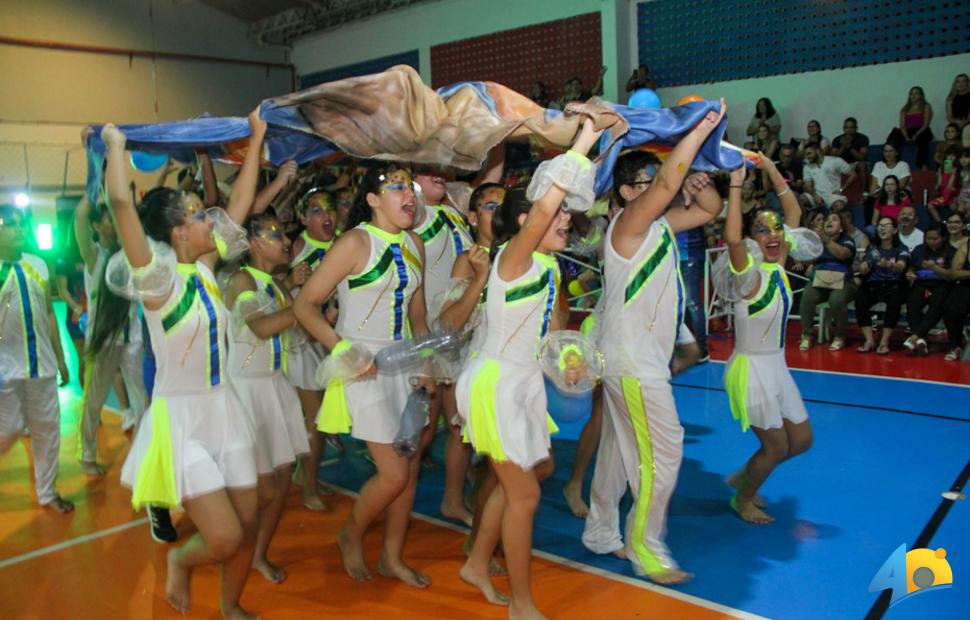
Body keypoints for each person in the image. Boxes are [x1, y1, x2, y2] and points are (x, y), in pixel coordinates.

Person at [104, 111, 264, 618]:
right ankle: (180, 560)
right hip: (182, 423)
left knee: (250, 523)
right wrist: (115, 143)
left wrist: (257, 137)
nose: (208, 220)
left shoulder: (209, 270)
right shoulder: (157, 284)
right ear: (176, 232)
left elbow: (238, 207)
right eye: (197, 216)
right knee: (223, 536)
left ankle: (230, 605)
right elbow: (120, 201)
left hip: (224, 410)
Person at [456, 119, 602, 617]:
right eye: (557, 214)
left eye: (566, 214)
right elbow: (545, 204)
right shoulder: (512, 259)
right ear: (526, 224)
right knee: (524, 496)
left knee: (535, 471)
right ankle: (521, 603)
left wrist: (570, 360)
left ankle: (477, 562)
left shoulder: (550, 268)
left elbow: (553, 334)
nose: (565, 220)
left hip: (523, 383)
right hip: (494, 382)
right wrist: (583, 140)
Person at [582, 101, 726, 585]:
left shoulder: (657, 225)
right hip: (635, 361)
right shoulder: (627, 224)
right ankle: (646, 543)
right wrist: (700, 129)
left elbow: (710, 209)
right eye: (645, 180)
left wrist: (699, 185)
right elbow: (667, 183)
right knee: (663, 453)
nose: (656, 185)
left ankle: (601, 532)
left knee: (619, 452)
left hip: (631, 358)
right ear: (626, 192)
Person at [295, 163, 436, 589]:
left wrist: (427, 362)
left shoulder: (415, 243)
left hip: (405, 365)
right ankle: (350, 533)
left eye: (409, 186)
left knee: (408, 471)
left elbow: (419, 314)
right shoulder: (354, 242)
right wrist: (345, 351)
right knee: (392, 473)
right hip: (363, 368)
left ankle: (392, 556)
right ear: (373, 200)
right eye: (396, 187)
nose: (408, 194)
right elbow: (305, 305)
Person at [718, 156, 819, 524]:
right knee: (775, 446)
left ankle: (745, 476)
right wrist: (736, 182)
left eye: (776, 229)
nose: (774, 235)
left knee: (801, 440)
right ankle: (742, 498)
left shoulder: (779, 266)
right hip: (750, 369)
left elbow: (793, 209)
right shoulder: (749, 275)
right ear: (751, 240)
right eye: (762, 230)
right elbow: (731, 238)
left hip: (777, 365)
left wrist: (770, 168)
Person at [226, 212, 311, 584]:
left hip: (276, 385)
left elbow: (295, 336)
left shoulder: (276, 286)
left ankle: (257, 554)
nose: (286, 241)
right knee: (262, 488)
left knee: (280, 481)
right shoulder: (242, 279)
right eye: (275, 235)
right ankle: (231, 547)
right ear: (254, 244)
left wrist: (297, 295)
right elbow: (261, 327)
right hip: (248, 389)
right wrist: (304, 303)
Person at [0, 203, 73, 514]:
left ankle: (47, 492)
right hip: (6, 370)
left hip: (42, 366)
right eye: (10, 224)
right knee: (9, 429)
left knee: (47, 430)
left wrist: (61, 357)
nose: (18, 229)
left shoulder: (38, 265)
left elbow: (47, 315)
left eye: (20, 224)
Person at [73, 183, 149, 477]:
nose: (114, 224)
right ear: (97, 225)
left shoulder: (131, 253)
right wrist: (94, 186)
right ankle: (87, 454)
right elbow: (79, 218)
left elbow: (135, 214)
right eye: (107, 219)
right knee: (93, 400)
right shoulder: (95, 256)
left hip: (133, 339)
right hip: (103, 340)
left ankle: (142, 454)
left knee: (142, 401)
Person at [285, 187, 339, 512]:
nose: (326, 216)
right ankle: (309, 487)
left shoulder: (343, 242)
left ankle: (300, 475)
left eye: (329, 208)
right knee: (315, 420)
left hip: (328, 340)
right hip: (301, 342)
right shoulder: (298, 246)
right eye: (316, 210)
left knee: (312, 418)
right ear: (303, 218)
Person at [798, 212, 856, 351]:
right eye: (827, 219)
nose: (829, 221)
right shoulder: (819, 241)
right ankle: (807, 335)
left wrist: (827, 240)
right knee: (807, 296)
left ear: (841, 227)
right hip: (821, 281)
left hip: (843, 282)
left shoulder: (847, 240)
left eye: (834, 220)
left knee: (836, 299)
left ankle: (840, 336)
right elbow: (807, 261)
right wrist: (809, 242)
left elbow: (843, 254)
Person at [855, 217, 909, 355]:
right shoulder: (872, 248)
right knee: (860, 299)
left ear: (895, 230)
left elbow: (901, 267)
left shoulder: (901, 248)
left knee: (895, 302)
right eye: (880, 225)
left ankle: (884, 341)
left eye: (886, 225)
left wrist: (889, 265)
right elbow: (864, 266)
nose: (882, 228)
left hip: (894, 285)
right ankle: (869, 340)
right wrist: (863, 267)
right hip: (873, 285)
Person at [902, 225, 955, 357]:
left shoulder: (951, 252)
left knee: (938, 304)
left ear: (943, 238)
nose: (931, 241)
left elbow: (952, 275)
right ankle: (920, 339)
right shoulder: (919, 250)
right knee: (913, 301)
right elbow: (912, 267)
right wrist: (910, 273)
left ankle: (916, 336)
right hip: (921, 283)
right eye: (928, 238)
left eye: (935, 238)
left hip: (942, 284)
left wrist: (935, 268)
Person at [54, 254, 87, 382]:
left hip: (95, 314)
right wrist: (77, 307)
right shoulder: (62, 261)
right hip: (76, 317)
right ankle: (86, 398)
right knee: (84, 357)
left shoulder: (95, 251)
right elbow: (62, 291)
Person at [889, 86, 934, 170]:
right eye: (911, 94)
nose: (913, 96)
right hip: (908, 131)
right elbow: (902, 126)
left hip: (921, 130)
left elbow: (926, 124)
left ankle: (923, 165)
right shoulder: (905, 109)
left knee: (923, 139)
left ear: (921, 95)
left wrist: (916, 135)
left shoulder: (926, 106)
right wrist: (906, 137)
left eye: (916, 93)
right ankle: (893, 164)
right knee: (894, 136)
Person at [802, 144, 855, 212]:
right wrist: (815, 196)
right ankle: (805, 222)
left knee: (839, 205)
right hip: (816, 195)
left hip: (832, 195)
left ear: (818, 151)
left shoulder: (835, 161)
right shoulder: (807, 167)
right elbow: (808, 185)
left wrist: (842, 189)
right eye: (805, 155)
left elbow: (853, 175)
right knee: (801, 199)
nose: (807, 157)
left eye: (809, 153)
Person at [942, 240, 970, 361]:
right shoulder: (966, 247)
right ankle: (956, 345)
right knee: (951, 308)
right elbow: (953, 273)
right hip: (967, 286)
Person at [945, 73, 969, 145]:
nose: (960, 84)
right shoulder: (950, 97)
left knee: (967, 130)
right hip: (955, 122)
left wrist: (964, 123)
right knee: (951, 131)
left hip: (968, 122)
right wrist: (956, 123)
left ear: (967, 83)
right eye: (958, 82)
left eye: (963, 81)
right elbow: (949, 115)